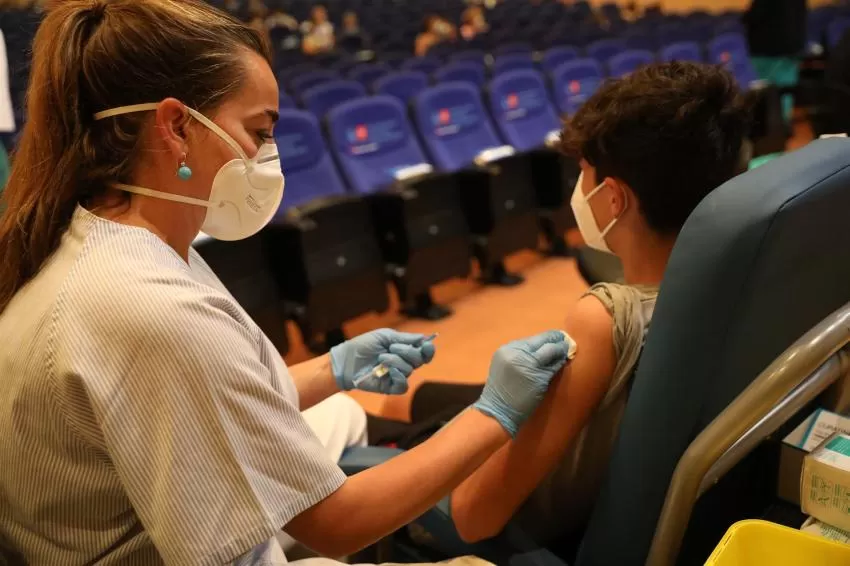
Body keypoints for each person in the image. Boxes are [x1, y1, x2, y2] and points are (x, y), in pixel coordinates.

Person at [0, 1, 575, 565]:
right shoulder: (147, 304)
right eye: (257, 132)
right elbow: (336, 524)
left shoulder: (121, 236)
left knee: (347, 418)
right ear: (177, 127)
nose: (266, 155)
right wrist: (496, 413)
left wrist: (334, 368)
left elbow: (213, 398)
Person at [372, 62, 753, 554]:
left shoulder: (605, 317)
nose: (579, 190)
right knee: (410, 398)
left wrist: (498, 409)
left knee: (387, 413)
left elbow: (472, 515)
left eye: (585, 175)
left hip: (531, 532)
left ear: (613, 197)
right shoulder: (742, 271)